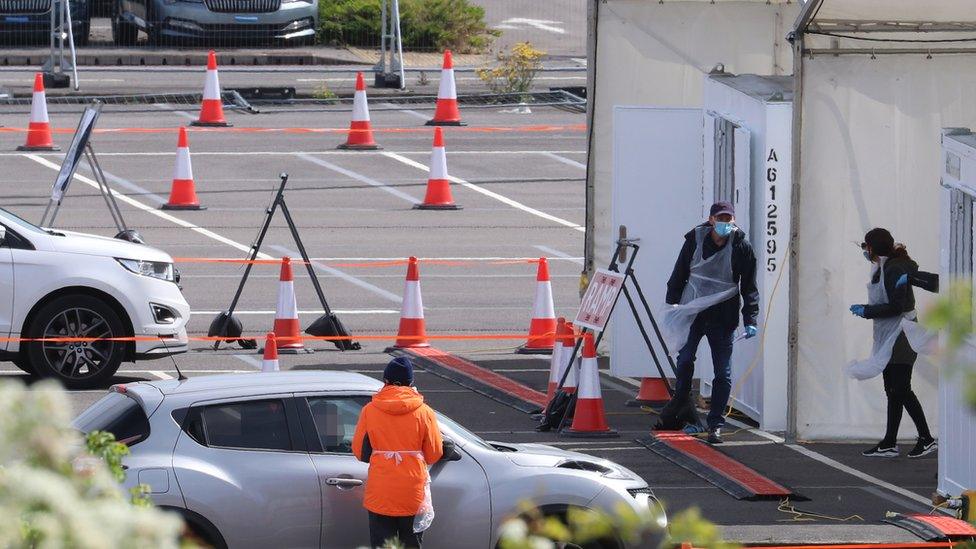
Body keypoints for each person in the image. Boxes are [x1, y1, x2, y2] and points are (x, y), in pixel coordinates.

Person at [657, 201, 759, 444]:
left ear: (733, 220)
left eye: (729, 219)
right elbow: (679, 273)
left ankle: (715, 425)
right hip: (693, 311)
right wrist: (672, 307)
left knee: (722, 373)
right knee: (684, 360)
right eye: (720, 219)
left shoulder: (741, 247)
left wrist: (750, 318)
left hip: (723, 316)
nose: (725, 224)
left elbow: (749, 287)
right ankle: (683, 404)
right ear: (711, 219)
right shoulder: (694, 240)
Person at [849, 228, 936, 459]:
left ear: (873, 248)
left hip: (902, 333)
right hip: (890, 333)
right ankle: (889, 442)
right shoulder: (885, 266)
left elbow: (897, 306)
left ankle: (926, 438)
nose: (865, 251)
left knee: (900, 387)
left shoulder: (895, 268)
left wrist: (867, 311)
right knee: (892, 389)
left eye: (866, 246)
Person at [352, 357, 444, 548]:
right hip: (413, 494)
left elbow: (360, 452)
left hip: (381, 493)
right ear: (411, 384)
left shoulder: (370, 410)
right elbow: (434, 454)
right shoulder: (425, 412)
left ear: (385, 381)